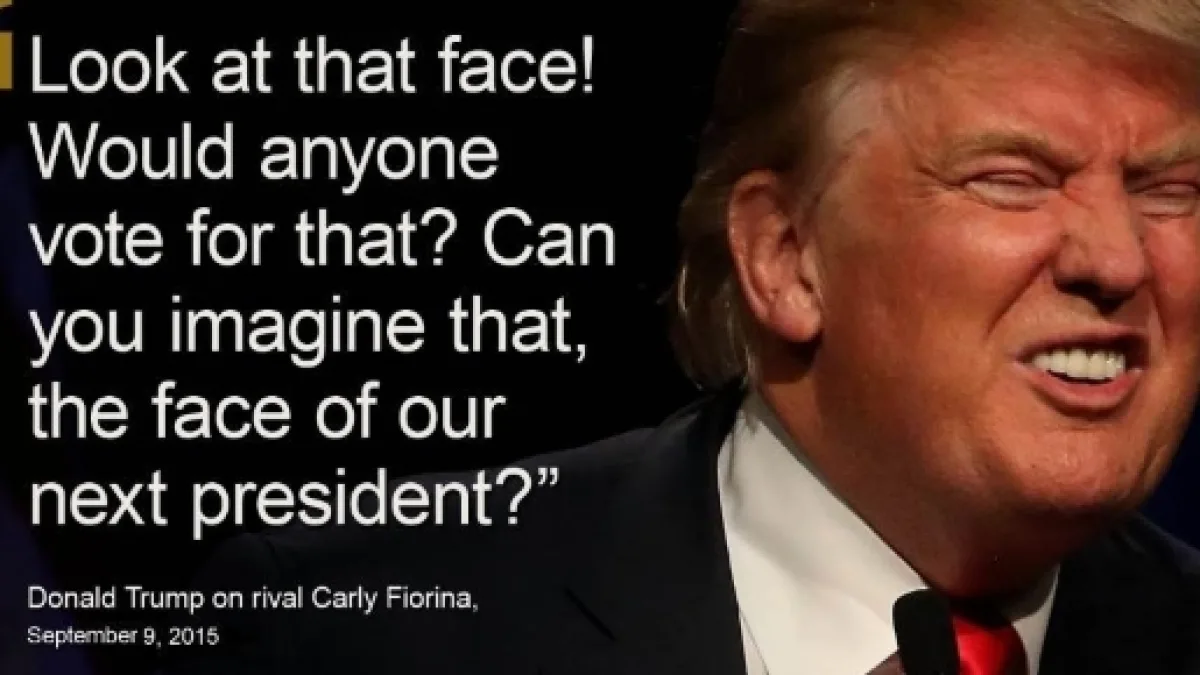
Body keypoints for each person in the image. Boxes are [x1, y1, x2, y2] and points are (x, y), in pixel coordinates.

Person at [162, 0, 1200, 673]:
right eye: (1012, 180)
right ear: (787, 258)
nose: (1117, 260)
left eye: (1172, 192)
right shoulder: (343, 630)